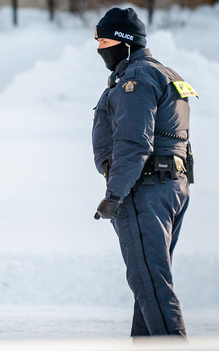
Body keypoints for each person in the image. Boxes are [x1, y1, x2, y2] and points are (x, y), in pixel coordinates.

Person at [92, 8, 197, 340]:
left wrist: (115, 195)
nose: (100, 49)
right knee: (149, 285)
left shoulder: (136, 79)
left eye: (105, 40)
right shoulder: (165, 72)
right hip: (171, 187)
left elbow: (133, 142)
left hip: (144, 190)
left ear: (126, 42)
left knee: (152, 287)